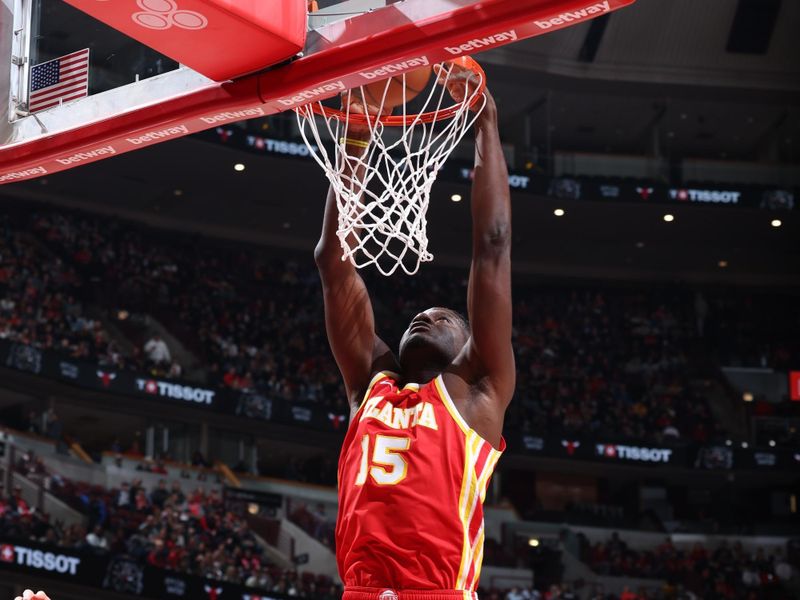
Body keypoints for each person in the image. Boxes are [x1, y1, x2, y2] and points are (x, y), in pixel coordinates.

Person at [316, 63, 514, 596]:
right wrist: (357, 134)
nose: (426, 315)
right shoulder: (370, 385)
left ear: (467, 346)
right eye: (419, 317)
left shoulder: (478, 391)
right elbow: (334, 264)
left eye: (446, 318)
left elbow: (492, 246)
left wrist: (486, 122)